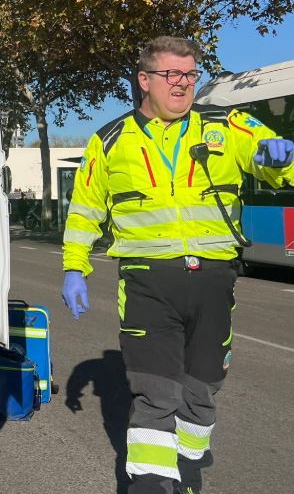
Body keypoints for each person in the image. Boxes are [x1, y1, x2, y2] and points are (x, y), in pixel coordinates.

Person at [61, 36, 294, 494]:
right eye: (172, 75)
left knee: (202, 390)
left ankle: (186, 471)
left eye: (190, 75)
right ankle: (151, 485)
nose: (183, 85)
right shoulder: (110, 141)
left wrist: (282, 157)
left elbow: (273, 159)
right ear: (144, 80)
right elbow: (85, 209)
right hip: (148, 281)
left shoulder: (226, 125)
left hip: (213, 279)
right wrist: (74, 267)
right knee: (156, 392)